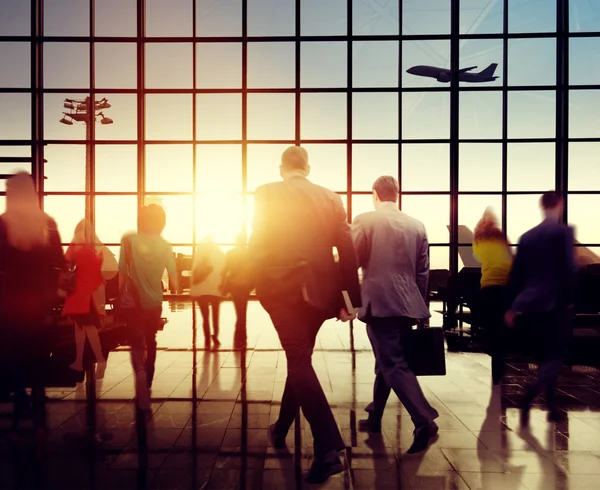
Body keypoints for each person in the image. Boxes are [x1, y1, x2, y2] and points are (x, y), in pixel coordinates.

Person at [248, 146, 361, 484]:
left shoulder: (267, 192)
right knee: (301, 359)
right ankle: (281, 428)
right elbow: (347, 248)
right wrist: (349, 298)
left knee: (298, 360)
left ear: (282, 167)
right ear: (307, 168)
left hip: (281, 291)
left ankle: (327, 448)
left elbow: (258, 239)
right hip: (321, 294)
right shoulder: (330, 198)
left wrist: (253, 281)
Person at [352, 175, 439, 454]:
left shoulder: (365, 220)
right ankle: (376, 416)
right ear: (397, 194)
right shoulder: (417, 225)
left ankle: (424, 420)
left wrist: (345, 297)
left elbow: (352, 260)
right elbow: (422, 271)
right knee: (386, 359)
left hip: (380, 302)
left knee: (393, 362)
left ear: (375, 194)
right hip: (408, 303)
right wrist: (421, 308)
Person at [0, 173, 64, 450]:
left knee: (14, 365)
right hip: (40, 310)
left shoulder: (3, 224)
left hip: (11, 309)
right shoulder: (47, 224)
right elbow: (59, 264)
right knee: (37, 368)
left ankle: (19, 423)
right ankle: (37, 424)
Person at [504, 192, 576, 425]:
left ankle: (553, 407)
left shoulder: (527, 237)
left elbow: (516, 275)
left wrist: (513, 306)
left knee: (546, 355)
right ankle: (531, 392)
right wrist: (570, 299)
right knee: (558, 354)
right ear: (558, 205)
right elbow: (568, 269)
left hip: (532, 304)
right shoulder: (563, 233)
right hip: (556, 303)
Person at [119, 204, 178, 411]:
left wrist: (121, 296)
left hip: (133, 301)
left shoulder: (129, 241)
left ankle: (140, 373)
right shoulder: (166, 245)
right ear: (162, 222)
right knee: (151, 338)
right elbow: (173, 276)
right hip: (154, 301)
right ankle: (149, 377)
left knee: (135, 340)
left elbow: (122, 273)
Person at [62, 219, 107, 378]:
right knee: (82, 327)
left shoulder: (76, 246)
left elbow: (66, 264)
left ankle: (99, 359)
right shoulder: (96, 247)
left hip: (80, 292)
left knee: (84, 327)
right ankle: (79, 360)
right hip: (93, 290)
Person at [472, 208, 513, 385]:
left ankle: (496, 361)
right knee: (502, 329)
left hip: (488, 285)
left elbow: (478, 257)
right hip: (505, 285)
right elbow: (510, 256)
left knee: (493, 328)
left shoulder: (479, 239)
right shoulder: (500, 236)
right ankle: (501, 361)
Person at [191, 237, 225, 350]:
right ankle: (215, 336)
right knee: (216, 315)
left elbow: (194, 271)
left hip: (201, 290)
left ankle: (206, 339)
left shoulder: (199, 254)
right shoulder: (219, 254)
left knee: (205, 317)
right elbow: (223, 271)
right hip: (215, 290)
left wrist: (193, 290)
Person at [221, 233, 253, 349]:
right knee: (242, 309)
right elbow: (253, 268)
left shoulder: (230, 253)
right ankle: (242, 335)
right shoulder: (250, 253)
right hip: (245, 284)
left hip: (234, 284)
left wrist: (223, 286)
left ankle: (239, 335)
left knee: (239, 310)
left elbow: (224, 270)